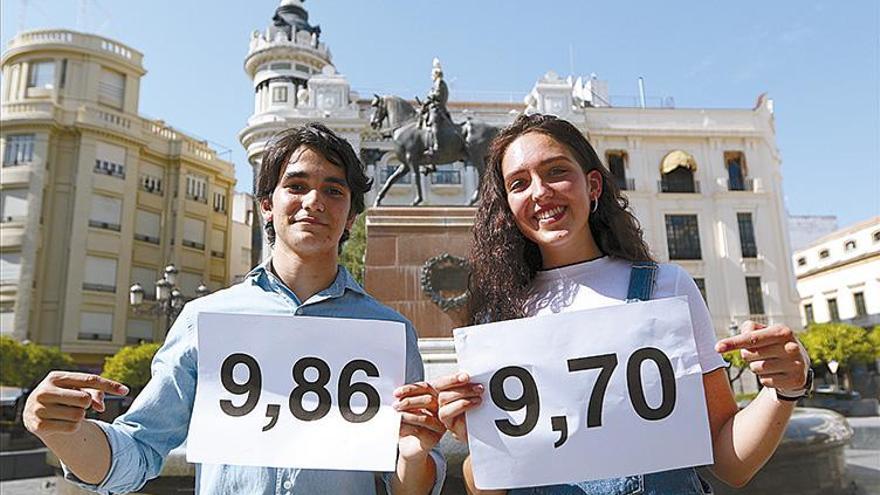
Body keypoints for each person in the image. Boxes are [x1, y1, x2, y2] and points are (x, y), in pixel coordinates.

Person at [23, 123, 447, 495]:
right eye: (296, 186)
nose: (314, 201)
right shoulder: (204, 320)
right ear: (268, 205)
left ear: (351, 216)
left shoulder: (390, 331)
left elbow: (407, 485)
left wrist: (412, 455)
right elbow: (138, 450)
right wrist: (62, 433)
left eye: (333, 190)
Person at [435, 113, 811, 494]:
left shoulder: (667, 288)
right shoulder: (495, 321)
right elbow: (488, 488)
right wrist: (480, 443)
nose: (539, 191)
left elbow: (731, 464)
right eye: (519, 183)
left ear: (593, 185)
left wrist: (784, 388)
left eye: (556, 172)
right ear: (508, 207)